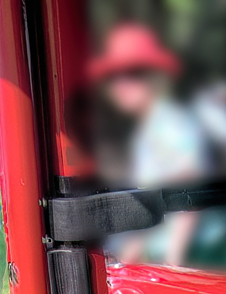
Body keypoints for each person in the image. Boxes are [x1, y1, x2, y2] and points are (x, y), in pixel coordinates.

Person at [91, 23, 209, 267]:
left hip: (172, 266)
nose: (121, 85)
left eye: (134, 74)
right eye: (115, 76)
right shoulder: (146, 127)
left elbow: (187, 191)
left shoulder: (170, 124)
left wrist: (172, 263)